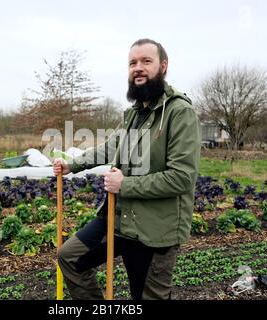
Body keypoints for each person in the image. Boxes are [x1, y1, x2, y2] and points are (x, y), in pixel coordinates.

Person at [53, 38, 201, 300]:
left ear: (163, 66)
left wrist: (125, 185)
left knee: (145, 296)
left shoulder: (179, 112)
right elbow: (111, 148)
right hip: (119, 219)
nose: (138, 68)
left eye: (146, 61)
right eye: (133, 63)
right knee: (70, 257)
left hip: (154, 230)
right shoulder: (134, 114)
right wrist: (71, 164)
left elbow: (182, 179)